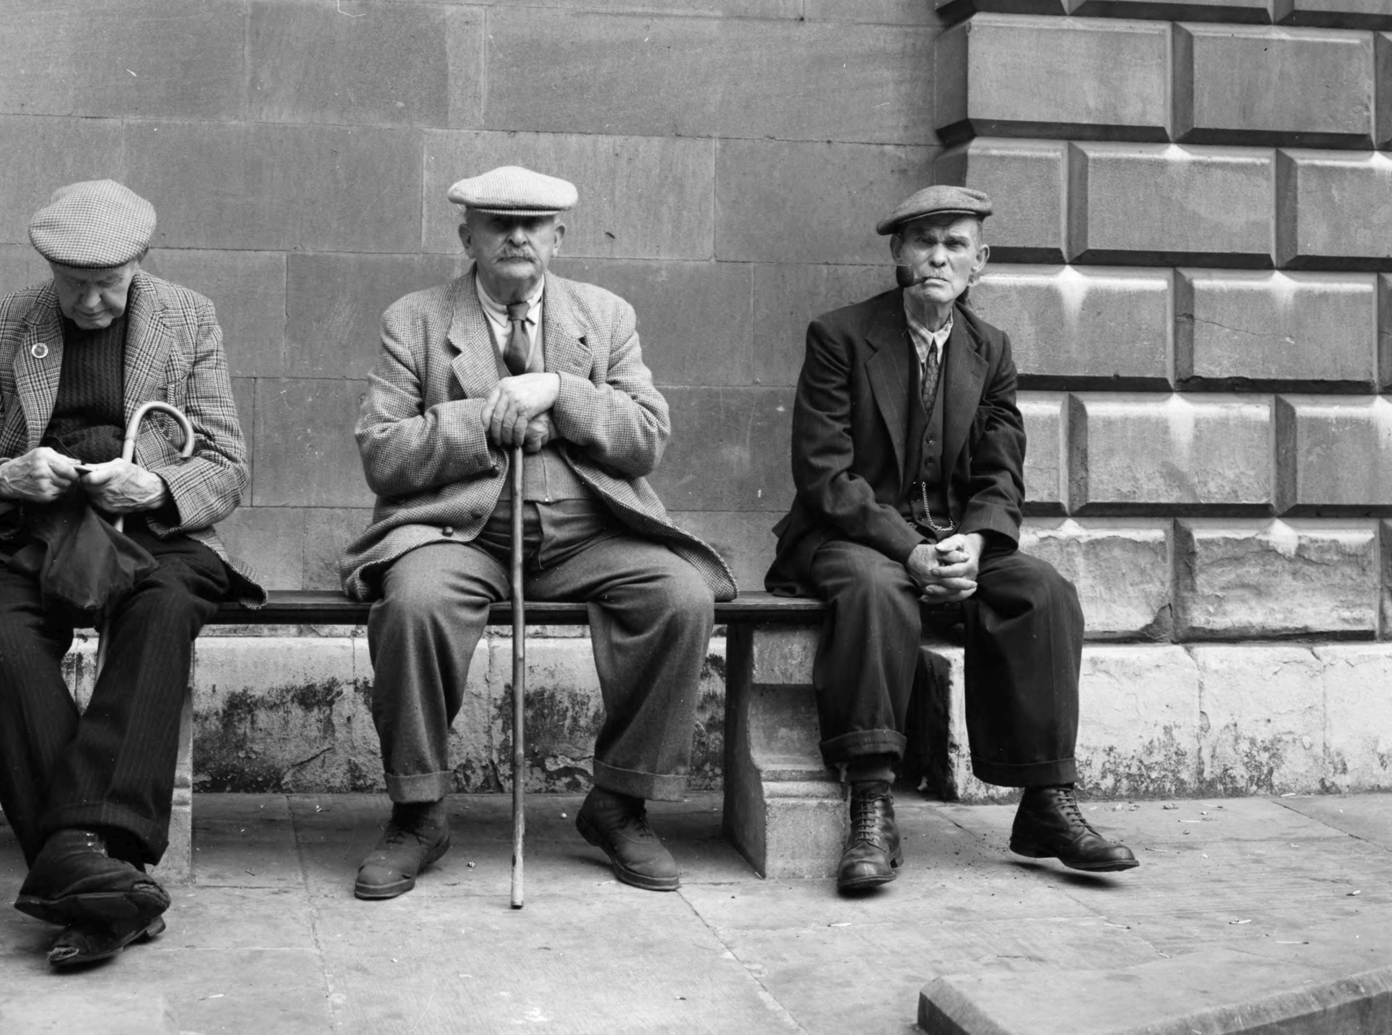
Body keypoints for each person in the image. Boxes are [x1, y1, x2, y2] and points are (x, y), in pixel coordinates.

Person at [0, 180, 261, 969]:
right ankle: (103, 875)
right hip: (29, 531)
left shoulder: (187, 317)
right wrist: (9, 476)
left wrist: (158, 485)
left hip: (146, 530)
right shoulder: (0, 327)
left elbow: (228, 463)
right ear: (49, 267)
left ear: (141, 262)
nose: (94, 301)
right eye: (75, 285)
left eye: (110, 283)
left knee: (165, 605)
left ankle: (76, 857)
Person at [342, 164, 735, 899]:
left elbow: (647, 437)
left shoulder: (606, 315)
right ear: (469, 236)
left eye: (533, 224)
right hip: (462, 534)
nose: (517, 235)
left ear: (559, 236)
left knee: (681, 597)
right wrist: (484, 415)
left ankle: (619, 800)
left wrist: (562, 391)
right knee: (414, 604)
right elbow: (382, 452)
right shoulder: (416, 319)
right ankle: (418, 810)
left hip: (593, 534)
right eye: (499, 223)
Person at [767, 185, 1137, 893]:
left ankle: (1045, 801)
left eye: (955, 242)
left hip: (954, 540)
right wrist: (908, 548)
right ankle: (871, 799)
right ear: (899, 255)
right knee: (876, 590)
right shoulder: (840, 336)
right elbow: (825, 475)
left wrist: (975, 539)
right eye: (923, 240)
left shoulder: (990, 349)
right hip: (855, 536)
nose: (938, 254)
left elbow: (1002, 473)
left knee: (1042, 592)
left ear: (980, 261)